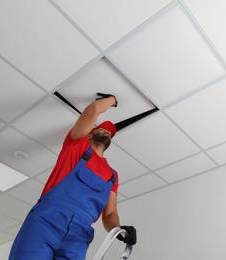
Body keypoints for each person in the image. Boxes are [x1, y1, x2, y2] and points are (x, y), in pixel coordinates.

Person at [9, 93, 137, 260]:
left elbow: (109, 213)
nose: (106, 130)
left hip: (79, 235)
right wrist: (113, 99)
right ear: (89, 134)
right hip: (46, 221)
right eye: (101, 128)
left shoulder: (113, 176)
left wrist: (119, 230)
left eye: (109, 132)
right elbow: (94, 109)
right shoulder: (76, 145)